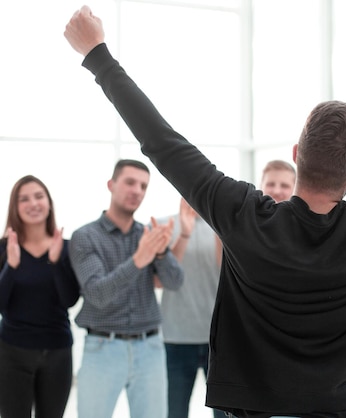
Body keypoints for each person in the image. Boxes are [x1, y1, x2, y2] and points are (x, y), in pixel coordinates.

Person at [64, 7, 346, 416]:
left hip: (253, 406)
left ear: (298, 153)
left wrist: (98, 55)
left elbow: (162, 144)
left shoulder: (242, 214)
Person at [69, 159, 184, 418]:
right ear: (111, 185)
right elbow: (97, 294)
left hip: (150, 348)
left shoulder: (147, 235)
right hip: (102, 348)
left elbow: (175, 282)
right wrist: (139, 259)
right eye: (130, 182)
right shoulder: (85, 237)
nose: (137, 191)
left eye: (143, 186)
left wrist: (162, 252)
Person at [0, 175, 81, 418]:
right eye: (24, 199)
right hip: (12, 352)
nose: (33, 203)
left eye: (38, 196)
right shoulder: (4, 248)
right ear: (15, 207)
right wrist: (11, 266)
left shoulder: (65, 247)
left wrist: (55, 262)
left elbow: (70, 300)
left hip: (57, 352)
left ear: (49, 202)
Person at [157, 197, 227, 418]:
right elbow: (164, 278)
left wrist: (221, 229)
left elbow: (228, 272)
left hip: (218, 341)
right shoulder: (163, 226)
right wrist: (184, 234)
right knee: (174, 412)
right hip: (176, 340)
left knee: (224, 414)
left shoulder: (225, 227)